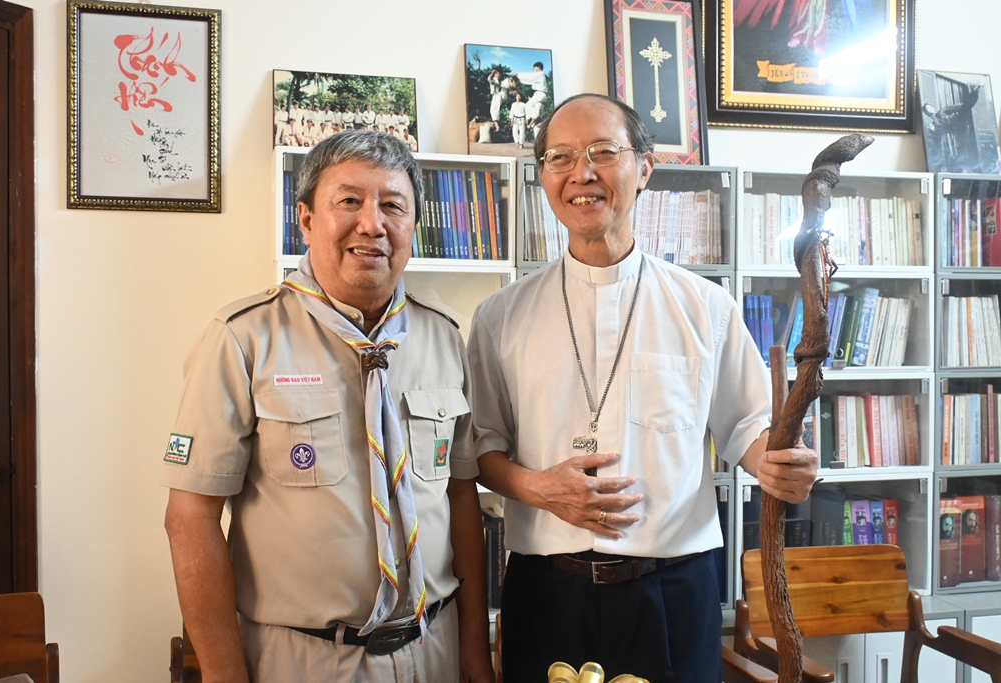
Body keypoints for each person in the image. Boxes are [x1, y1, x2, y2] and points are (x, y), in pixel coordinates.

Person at [466, 93, 817, 683]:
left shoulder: (705, 307)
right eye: (560, 157)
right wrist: (539, 488)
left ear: (645, 167)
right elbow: (481, 448)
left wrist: (779, 466)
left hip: (672, 589)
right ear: (543, 176)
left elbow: (746, 427)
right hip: (547, 590)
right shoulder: (500, 316)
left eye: (604, 152)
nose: (582, 173)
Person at [163, 131, 495, 683]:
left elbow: (460, 496)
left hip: (432, 649)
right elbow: (190, 517)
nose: (372, 224)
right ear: (306, 219)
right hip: (303, 659)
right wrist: (224, 675)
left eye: (393, 206)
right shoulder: (243, 338)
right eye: (349, 201)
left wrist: (474, 653)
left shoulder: (443, 337)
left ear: (414, 224)